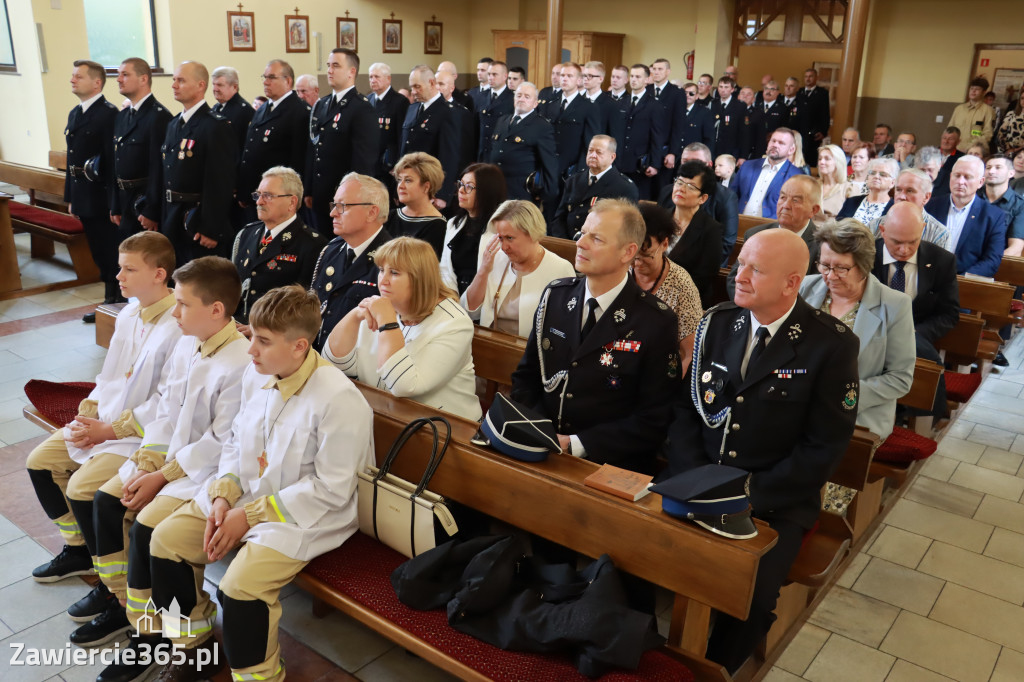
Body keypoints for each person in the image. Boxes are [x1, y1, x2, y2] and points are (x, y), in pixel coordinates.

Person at [147, 285, 373, 682]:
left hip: (305, 515)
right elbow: (236, 440)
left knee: (240, 588)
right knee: (166, 541)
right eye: (251, 336)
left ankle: (261, 677)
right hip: (244, 497)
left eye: (263, 342)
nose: (250, 350)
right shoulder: (260, 375)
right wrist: (224, 495)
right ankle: (192, 644)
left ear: (300, 346)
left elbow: (332, 488)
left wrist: (249, 516)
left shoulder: (340, 399)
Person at [667, 228, 859, 674]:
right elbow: (685, 413)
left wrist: (751, 495)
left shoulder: (829, 344)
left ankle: (711, 670)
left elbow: (824, 445)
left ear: (792, 283)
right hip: (700, 483)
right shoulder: (716, 322)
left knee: (752, 599)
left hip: (774, 501)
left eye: (757, 269)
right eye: (740, 263)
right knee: (640, 552)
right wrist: (695, 480)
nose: (740, 275)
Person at [87, 257, 250, 681]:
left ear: (216, 310)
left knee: (146, 532)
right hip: (164, 458)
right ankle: (137, 619)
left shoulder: (239, 363)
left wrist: (162, 475)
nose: (173, 313)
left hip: (201, 473)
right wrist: (147, 461)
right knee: (107, 500)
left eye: (181, 304)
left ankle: (187, 639)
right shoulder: (186, 340)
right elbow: (164, 406)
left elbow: (220, 442)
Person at [25, 233, 180, 587]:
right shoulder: (129, 311)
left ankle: (116, 587)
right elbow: (110, 374)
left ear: (159, 274)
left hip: (141, 436)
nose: (119, 277)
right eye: (119, 267)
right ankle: (78, 548)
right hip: (105, 420)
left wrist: (107, 432)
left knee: (82, 488)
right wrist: (88, 414)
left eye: (129, 269)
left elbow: (166, 404)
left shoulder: (178, 326)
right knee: (40, 463)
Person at [510, 199, 681, 474]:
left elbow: (654, 418)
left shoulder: (655, 321)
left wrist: (575, 444)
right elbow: (526, 378)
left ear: (628, 252)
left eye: (596, 238)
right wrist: (542, 433)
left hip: (608, 462)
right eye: (583, 233)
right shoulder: (556, 296)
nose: (580, 243)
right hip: (541, 447)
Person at [324, 237, 481, 420]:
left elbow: (404, 386)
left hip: (446, 430)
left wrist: (387, 323)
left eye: (395, 273)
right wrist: (355, 316)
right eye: (382, 270)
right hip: (385, 415)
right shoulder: (382, 306)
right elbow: (336, 365)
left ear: (420, 278)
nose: (383, 281)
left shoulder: (455, 324)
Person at [800, 218, 915, 439]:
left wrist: (838, 396)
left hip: (855, 415)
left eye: (841, 268)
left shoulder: (894, 305)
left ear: (863, 266)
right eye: (824, 265)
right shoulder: (806, 287)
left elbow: (900, 378)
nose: (830, 276)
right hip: (797, 403)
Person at [871, 202, 959, 415]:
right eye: (896, 242)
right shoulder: (866, 255)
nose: (904, 250)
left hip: (917, 332)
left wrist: (914, 333)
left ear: (922, 232)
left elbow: (949, 313)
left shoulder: (942, 261)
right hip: (872, 329)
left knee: (911, 345)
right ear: (882, 231)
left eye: (912, 242)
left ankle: (917, 415)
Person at [160, 61, 237, 264]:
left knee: (200, 282)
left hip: (197, 220)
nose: (174, 85)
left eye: (181, 80)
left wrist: (211, 228)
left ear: (201, 85)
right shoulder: (174, 124)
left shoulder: (215, 126)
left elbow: (220, 182)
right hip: (173, 215)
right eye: (174, 80)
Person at [463, 200, 575, 336]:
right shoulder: (495, 258)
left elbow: (563, 329)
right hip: (489, 344)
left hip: (529, 352)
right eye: (500, 238)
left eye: (510, 238)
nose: (504, 247)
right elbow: (469, 312)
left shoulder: (560, 269)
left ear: (532, 234)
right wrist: (483, 271)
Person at [232, 166, 327, 325]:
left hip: (275, 332)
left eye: (268, 196)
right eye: (258, 195)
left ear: (292, 202)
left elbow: (304, 308)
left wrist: (257, 329)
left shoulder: (313, 245)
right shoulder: (246, 234)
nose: (259, 201)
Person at [311, 173, 393, 352]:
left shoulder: (393, 259)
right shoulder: (332, 249)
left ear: (372, 212)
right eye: (334, 205)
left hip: (360, 365)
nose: (333, 213)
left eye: (342, 206)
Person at [65, 59, 119, 315]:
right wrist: (70, 196)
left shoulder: (109, 114)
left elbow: (111, 161)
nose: (73, 79)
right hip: (82, 193)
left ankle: (114, 302)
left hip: (100, 195)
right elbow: (71, 158)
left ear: (97, 83)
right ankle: (108, 300)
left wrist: (113, 202)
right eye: (73, 76)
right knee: (97, 249)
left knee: (109, 249)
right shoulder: (75, 113)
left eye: (79, 76)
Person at [305, 49, 378, 233]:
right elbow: (314, 149)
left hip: (343, 196)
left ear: (351, 72)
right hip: (320, 195)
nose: (329, 70)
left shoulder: (361, 108)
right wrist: (309, 188)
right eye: (329, 65)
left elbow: (363, 160)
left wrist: (353, 198)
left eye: (336, 66)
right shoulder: (322, 104)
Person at [236, 60, 311, 224]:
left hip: (278, 198)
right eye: (264, 77)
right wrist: (244, 190)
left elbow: (298, 160)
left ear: (288, 81)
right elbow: (249, 152)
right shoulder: (263, 108)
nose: (266, 82)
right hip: (255, 194)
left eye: (271, 77)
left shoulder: (299, 112)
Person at [726, 175, 823, 298]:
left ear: (813, 210)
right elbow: (733, 279)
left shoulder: (821, 246)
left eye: (795, 200)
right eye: (782, 197)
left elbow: (813, 293)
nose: (786, 205)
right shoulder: (755, 234)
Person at [110, 58, 172, 248]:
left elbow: (158, 168)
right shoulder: (123, 116)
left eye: (125, 74)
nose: (119, 79)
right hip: (125, 200)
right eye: (119, 74)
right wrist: (115, 204)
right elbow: (117, 162)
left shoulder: (158, 116)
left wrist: (151, 209)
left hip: (143, 202)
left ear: (144, 79)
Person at [634, 203, 702, 371]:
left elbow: (690, 353)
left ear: (664, 244)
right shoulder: (620, 269)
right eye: (633, 256)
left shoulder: (681, 285)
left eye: (645, 255)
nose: (636, 263)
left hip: (660, 369)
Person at [925, 155, 1007, 277]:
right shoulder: (931, 206)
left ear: (980, 182)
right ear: (950, 177)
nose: (960, 181)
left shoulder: (993, 216)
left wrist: (961, 280)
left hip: (966, 283)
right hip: (928, 277)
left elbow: (992, 260)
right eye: (957, 175)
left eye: (967, 177)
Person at [550, 135, 639, 239]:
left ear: (612, 157)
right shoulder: (573, 180)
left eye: (599, 152)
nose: (593, 155)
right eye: (590, 150)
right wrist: (564, 243)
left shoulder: (624, 187)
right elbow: (559, 218)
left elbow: (625, 229)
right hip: (567, 242)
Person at [441, 163, 508, 293]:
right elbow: (445, 270)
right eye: (461, 184)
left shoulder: (502, 229)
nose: (461, 190)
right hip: (453, 297)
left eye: (469, 187)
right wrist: (452, 300)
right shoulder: (453, 223)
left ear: (487, 192)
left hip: (486, 298)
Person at [400, 65, 461, 207]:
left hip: (429, 185)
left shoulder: (447, 112)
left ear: (432, 83)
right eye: (411, 88)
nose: (413, 92)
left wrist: (442, 194)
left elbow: (449, 156)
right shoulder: (412, 108)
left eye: (417, 87)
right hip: (408, 183)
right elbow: (404, 147)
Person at [488, 81, 559, 203]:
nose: (521, 99)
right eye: (519, 95)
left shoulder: (542, 126)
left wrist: (547, 194)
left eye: (527, 97)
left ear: (535, 103)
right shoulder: (502, 120)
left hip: (521, 190)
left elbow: (549, 162)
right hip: (496, 187)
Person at [668, 161, 723, 308]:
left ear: (703, 198)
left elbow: (704, 278)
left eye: (690, 186)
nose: (681, 189)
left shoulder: (711, 230)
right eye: (679, 182)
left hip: (686, 302)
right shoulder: (659, 218)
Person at [868, 169, 951, 251]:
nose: (901, 196)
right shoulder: (874, 226)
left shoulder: (939, 234)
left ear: (926, 197)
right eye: (898, 190)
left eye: (910, 191)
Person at [734, 128, 805, 219]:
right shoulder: (747, 166)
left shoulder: (796, 175)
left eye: (781, 143)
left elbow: (794, 209)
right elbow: (733, 196)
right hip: (739, 222)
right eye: (773, 141)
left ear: (791, 150)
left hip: (771, 228)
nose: (775, 145)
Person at [619, 64, 667, 199]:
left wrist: (655, 163)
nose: (634, 80)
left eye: (638, 77)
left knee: (638, 200)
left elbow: (657, 137)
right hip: (621, 160)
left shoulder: (654, 105)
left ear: (647, 80)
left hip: (640, 162)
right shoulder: (623, 101)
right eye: (632, 76)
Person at [388, 152, 447, 258]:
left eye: (408, 180)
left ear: (426, 186)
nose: (400, 186)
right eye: (399, 180)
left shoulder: (438, 226)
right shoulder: (390, 216)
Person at [367, 61, 411, 199]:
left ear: (388, 79)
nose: (373, 80)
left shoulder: (399, 102)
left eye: (377, 77)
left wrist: (398, 163)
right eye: (370, 77)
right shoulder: (367, 100)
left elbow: (401, 136)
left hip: (389, 164)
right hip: (371, 163)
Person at [837, 157, 897, 224]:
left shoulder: (894, 209)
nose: (876, 176)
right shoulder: (851, 201)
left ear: (892, 183)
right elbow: (837, 226)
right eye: (872, 173)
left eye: (883, 174)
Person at [984, 154, 1024, 256]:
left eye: (998, 167)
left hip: (997, 264)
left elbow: (1015, 249)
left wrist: (988, 264)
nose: (991, 171)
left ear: (1011, 173)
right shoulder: (973, 197)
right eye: (988, 167)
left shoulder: (1019, 204)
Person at [211, 66, 254, 151]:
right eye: (213, 84)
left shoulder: (244, 110)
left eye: (220, 85)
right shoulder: (216, 107)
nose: (215, 89)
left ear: (234, 87)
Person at [478, 61, 514, 162]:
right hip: (481, 153)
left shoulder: (512, 99)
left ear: (505, 76)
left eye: (494, 74)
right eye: (489, 74)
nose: (490, 77)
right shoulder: (481, 96)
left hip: (500, 154)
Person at [949, 76, 996, 152]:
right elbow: (950, 129)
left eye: (977, 89)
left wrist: (972, 147)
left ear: (983, 92)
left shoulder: (988, 110)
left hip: (973, 151)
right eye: (971, 89)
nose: (973, 91)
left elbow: (988, 134)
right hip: (955, 149)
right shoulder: (959, 109)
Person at [798, 68, 830, 166]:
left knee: (810, 159)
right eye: (806, 77)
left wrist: (823, 131)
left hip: (813, 133)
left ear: (816, 78)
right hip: (799, 131)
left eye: (811, 76)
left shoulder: (822, 93)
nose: (808, 79)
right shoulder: (799, 92)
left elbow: (825, 113)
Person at [710, 76, 746, 159]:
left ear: (732, 89)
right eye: (721, 87)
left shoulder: (740, 106)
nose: (723, 90)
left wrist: (742, 155)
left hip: (731, 149)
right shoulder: (713, 103)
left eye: (726, 87)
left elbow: (743, 132)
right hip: (714, 149)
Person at [814, 144, 848, 224]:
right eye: (820, 159)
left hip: (834, 232)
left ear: (838, 162)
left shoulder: (849, 188)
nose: (821, 162)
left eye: (827, 159)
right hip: (810, 230)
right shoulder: (812, 185)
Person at [997, 90, 1024, 155]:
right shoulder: (1011, 114)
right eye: (1022, 98)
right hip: (1006, 151)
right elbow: (1001, 134)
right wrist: (1008, 149)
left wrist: (1017, 150)